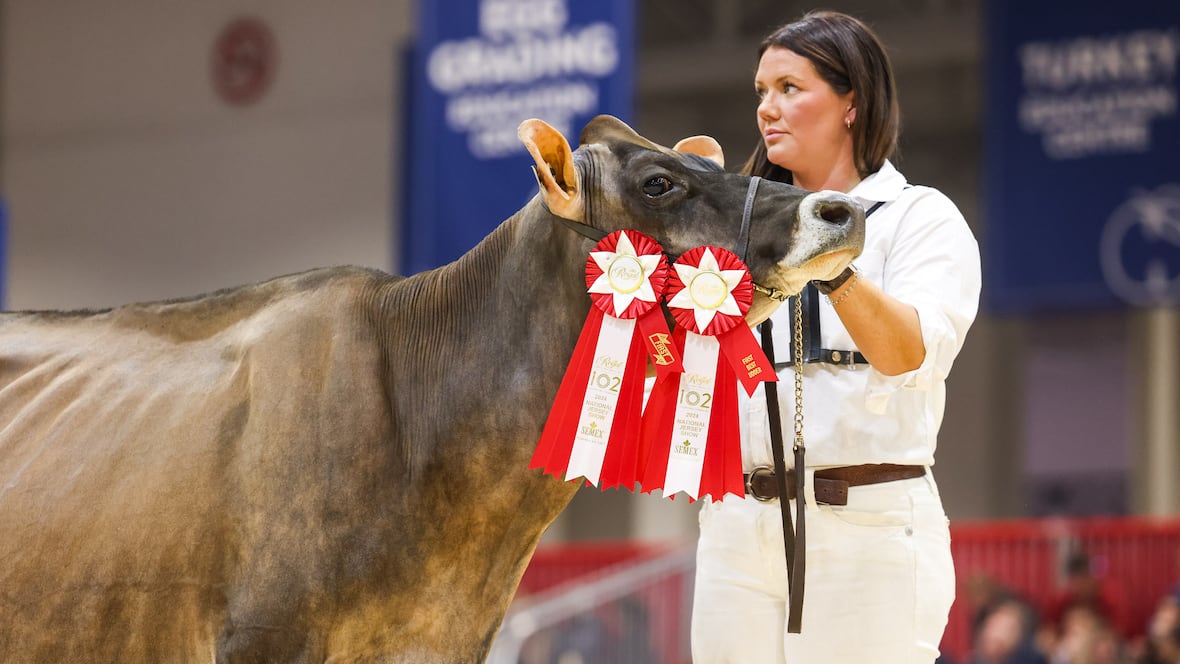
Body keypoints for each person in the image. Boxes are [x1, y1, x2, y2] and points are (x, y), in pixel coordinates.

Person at [690, 10, 981, 664]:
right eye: (761, 92)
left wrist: (834, 264)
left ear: (852, 102)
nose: (769, 107)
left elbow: (911, 354)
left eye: (790, 88)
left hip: (868, 526)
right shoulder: (728, 234)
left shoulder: (919, 218)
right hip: (737, 527)